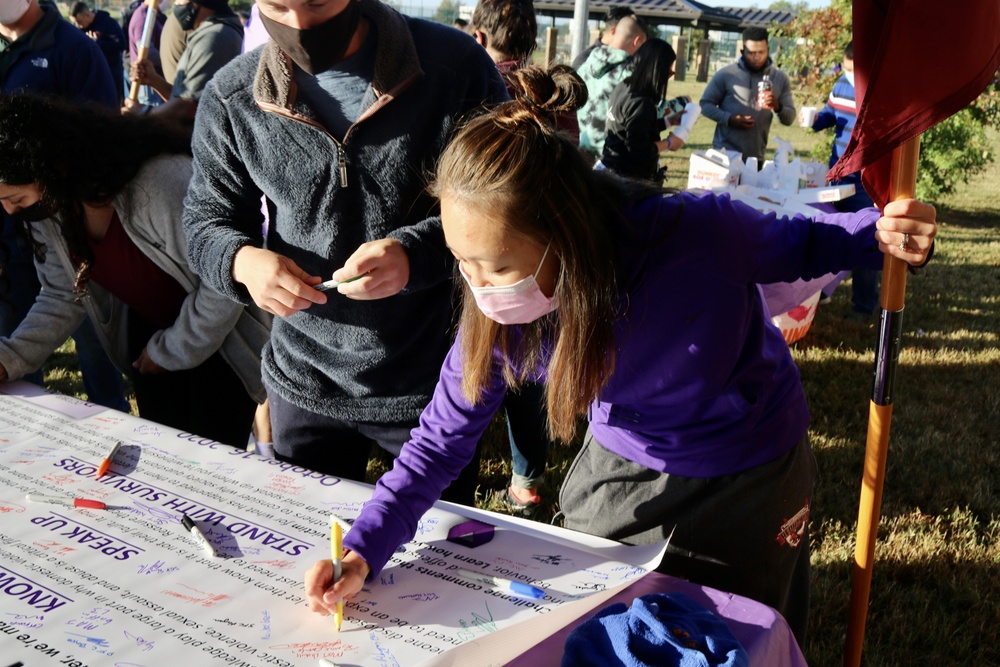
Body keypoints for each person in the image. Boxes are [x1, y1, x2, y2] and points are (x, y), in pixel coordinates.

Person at [301, 65, 938, 645]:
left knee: (740, 631)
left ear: (566, 242)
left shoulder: (693, 233)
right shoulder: (497, 321)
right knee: (593, 626)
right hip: (623, 465)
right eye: (460, 262)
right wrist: (364, 547)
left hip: (751, 464)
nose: (477, 287)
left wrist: (884, 233)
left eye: (494, 266)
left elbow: (806, 246)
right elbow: (440, 443)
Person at [182, 0, 508, 502]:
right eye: (277, 6)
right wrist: (242, 261)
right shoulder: (231, 97)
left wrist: (413, 254)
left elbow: (507, 206)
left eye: (316, 2)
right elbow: (206, 222)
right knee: (312, 551)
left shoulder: (455, 68)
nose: (300, 24)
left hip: (429, 379)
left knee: (438, 557)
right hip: (304, 380)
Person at [0, 93, 270, 448]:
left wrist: (171, 350)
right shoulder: (49, 211)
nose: (9, 212)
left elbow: (223, 279)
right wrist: (10, 358)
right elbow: (62, 295)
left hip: (224, 342)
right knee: (165, 458)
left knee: (207, 467)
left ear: (51, 166)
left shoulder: (157, 184)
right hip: (152, 344)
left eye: (15, 199)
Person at [1, 0, 129, 412]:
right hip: (8, 239)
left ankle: (110, 417)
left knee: (94, 342)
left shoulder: (76, 51)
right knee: (16, 344)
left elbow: (100, 146)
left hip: (71, 236)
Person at [469, 0, 557, 516]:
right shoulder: (551, 93)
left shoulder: (472, 88)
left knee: (476, 371)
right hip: (544, 270)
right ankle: (528, 481)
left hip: (486, 266)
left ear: (479, 37)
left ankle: (464, 472)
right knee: (529, 375)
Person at [807, 41, 880, 318]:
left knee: (866, 237)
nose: (848, 75)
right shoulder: (840, 85)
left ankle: (863, 306)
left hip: (864, 179)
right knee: (828, 231)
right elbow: (831, 115)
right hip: (836, 173)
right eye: (845, 69)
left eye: (853, 71)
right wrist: (816, 119)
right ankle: (821, 292)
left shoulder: (877, 91)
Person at [128, 0, 243, 128]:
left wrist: (143, 113)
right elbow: (188, 97)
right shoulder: (210, 31)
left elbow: (188, 107)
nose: (176, 5)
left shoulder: (214, 37)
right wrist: (154, 80)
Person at [699, 26, 795, 163]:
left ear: (768, 50)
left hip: (756, 158)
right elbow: (704, 105)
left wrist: (777, 107)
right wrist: (729, 118)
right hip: (724, 155)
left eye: (761, 52)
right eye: (751, 53)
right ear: (742, 51)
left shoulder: (779, 78)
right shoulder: (726, 74)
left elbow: (789, 118)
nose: (756, 57)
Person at [601, 38, 686, 183]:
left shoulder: (624, 86)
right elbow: (639, 151)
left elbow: (633, 128)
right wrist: (670, 143)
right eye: (669, 72)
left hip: (612, 170)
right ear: (657, 71)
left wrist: (667, 122)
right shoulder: (640, 102)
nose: (669, 78)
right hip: (628, 181)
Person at [575, 10, 647, 159]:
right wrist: (681, 104)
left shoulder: (587, 62)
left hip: (582, 150)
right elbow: (642, 109)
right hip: (609, 157)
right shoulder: (628, 73)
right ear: (637, 41)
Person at [70, 1, 127, 102]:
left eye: (79, 22)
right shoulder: (79, 29)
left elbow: (121, 44)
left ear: (87, 15)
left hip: (110, 75)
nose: (77, 26)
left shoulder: (108, 23)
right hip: (89, 77)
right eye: (75, 23)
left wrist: (98, 42)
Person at [570, 5, 636, 70]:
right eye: (630, 32)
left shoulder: (628, 57)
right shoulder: (585, 60)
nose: (634, 41)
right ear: (614, 31)